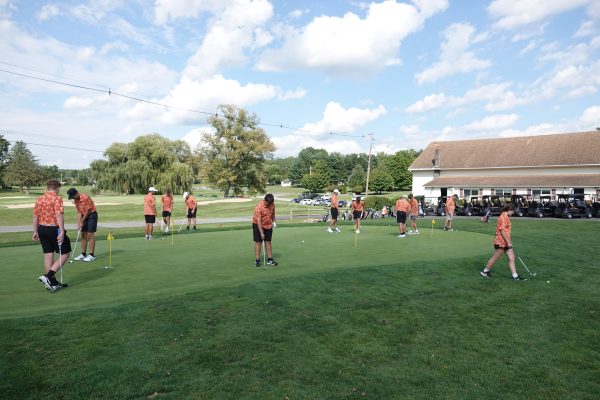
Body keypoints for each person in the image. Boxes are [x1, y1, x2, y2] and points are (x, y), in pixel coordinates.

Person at [34, 179, 72, 292]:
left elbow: (35, 216)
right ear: (57, 188)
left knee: (48, 255)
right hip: (53, 229)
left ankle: (52, 283)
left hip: (41, 229)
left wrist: (35, 231)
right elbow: (58, 215)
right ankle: (48, 276)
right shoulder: (57, 198)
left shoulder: (40, 198)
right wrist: (62, 230)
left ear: (47, 187)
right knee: (65, 254)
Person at [480, 204, 526, 280]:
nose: (513, 213)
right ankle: (485, 271)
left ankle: (515, 276)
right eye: (513, 211)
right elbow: (502, 231)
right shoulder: (503, 217)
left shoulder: (506, 217)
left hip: (506, 241)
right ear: (509, 210)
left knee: (512, 257)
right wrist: (508, 242)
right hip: (501, 241)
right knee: (495, 257)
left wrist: (508, 241)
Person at [67, 188, 98, 261]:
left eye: (73, 196)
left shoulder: (85, 197)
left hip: (91, 215)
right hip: (84, 216)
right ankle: (83, 254)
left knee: (90, 234)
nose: (73, 198)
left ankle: (91, 255)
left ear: (77, 193)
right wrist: (78, 224)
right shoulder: (76, 201)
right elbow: (79, 212)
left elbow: (89, 210)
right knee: (83, 234)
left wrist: (82, 221)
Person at [252, 193, 277, 267]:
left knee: (268, 241)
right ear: (265, 200)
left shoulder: (272, 204)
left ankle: (270, 259)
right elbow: (258, 220)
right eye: (268, 204)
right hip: (257, 225)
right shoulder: (259, 207)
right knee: (258, 242)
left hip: (268, 225)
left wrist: (274, 221)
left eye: (270, 204)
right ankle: (257, 260)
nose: (269, 205)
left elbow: (273, 213)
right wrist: (261, 233)